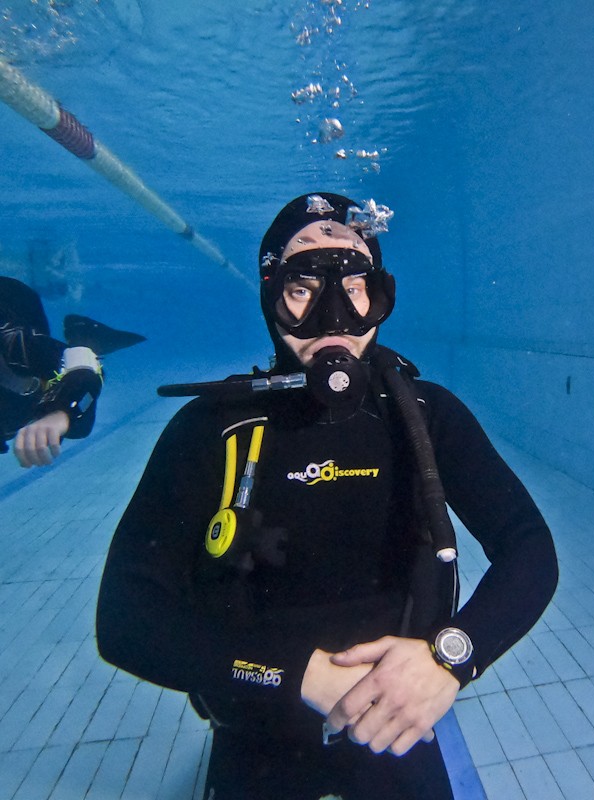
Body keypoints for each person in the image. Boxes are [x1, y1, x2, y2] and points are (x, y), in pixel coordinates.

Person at [95, 193, 559, 800]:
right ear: (271, 299)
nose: (333, 315)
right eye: (302, 287)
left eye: (356, 285)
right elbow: (126, 618)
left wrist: (450, 657)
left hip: (392, 729)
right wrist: (292, 673)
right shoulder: (214, 429)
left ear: (379, 299)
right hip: (257, 734)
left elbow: (530, 552)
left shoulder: (427, 417)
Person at [0, 276, 145, 467]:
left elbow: (83, 361)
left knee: (64, 371)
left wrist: (60, 412)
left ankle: (83, 334)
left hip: (16, 304)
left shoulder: (14, 345)